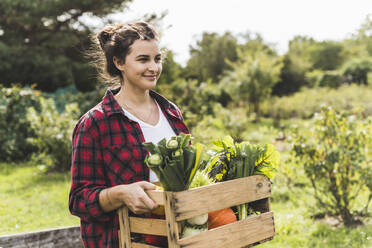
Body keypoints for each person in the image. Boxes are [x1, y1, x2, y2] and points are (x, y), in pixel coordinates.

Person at [69, 21, 189, 248]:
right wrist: (121, 194)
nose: (153, 67)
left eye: (157, 59)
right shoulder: (95, 123)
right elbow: (79, 201)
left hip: (177, 236)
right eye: (143, 60)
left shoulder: (171, 112)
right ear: (119, 62)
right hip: (123, 240)